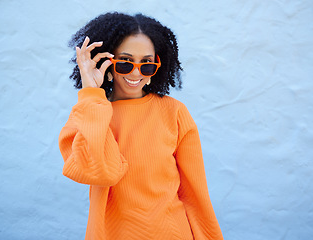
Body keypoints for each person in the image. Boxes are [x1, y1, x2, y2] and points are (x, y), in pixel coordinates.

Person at [59, 12, 224, 240]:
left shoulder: (174, 112)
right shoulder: (88, 114)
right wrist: (91, 93)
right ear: (106, 61)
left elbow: (196, 196)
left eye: (146, 64)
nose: (136, 73)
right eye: (125, 63)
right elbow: (98, 171)